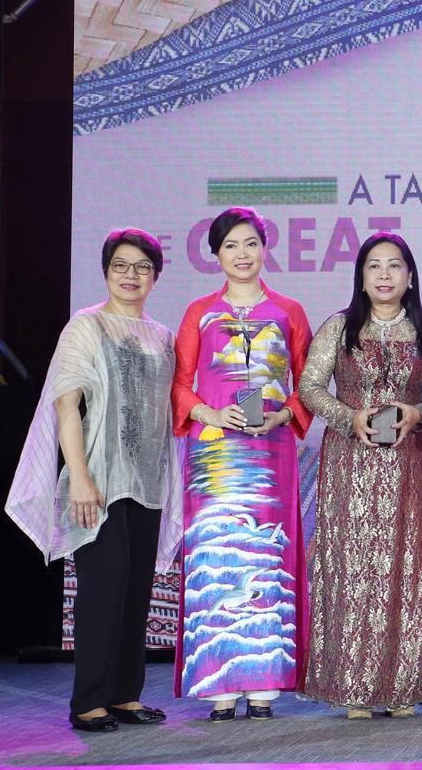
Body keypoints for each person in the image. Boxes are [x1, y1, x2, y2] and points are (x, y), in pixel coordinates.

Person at [6, 229, 181, 733]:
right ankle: (88, 703)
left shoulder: (163, 336)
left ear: (155, 277)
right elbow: (66, 406)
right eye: (120, 265)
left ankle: (125, 696)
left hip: (148, 481)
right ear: (106, 272)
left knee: (136, 590)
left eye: (142, 266)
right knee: (103, 589)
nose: (131, 275)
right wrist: (79, 478)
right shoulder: (85, 325)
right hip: (98, 480)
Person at [171, 207, 313, 722]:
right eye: (231, 245)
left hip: (271, 454)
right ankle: (219, 683)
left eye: (251, 243)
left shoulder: (288, 312)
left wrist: (283, 415)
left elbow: (309, 386)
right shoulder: (199, 313)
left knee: (267, 555)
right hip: (215, 454)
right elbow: (180, 384)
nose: (242, 254)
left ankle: (265, 684)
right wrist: (210, 413)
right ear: (216, 254)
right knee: (217, 553)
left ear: (265, 248)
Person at [298, 232, 422, 718]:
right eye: (374, 266)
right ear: (361, 277)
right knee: (352, 567)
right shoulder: (339, 327)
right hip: (350, 463)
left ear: (410, 277)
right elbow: (310, 387)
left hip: (407, 464)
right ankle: (353, 686)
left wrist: (417, 412)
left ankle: (400, 686)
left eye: (394, 265)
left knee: (404, 567)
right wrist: (350, 416)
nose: (385, 275)